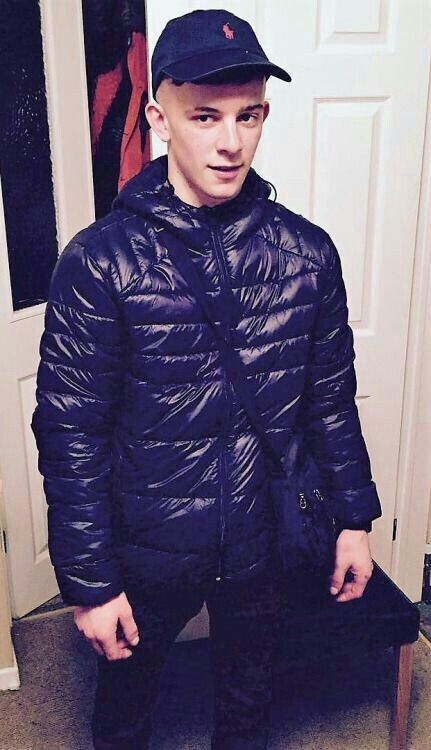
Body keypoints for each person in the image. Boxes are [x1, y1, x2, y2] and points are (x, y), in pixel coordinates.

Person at [31, 8, 382, 750]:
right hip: (148, 544)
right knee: (126, 710)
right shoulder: (99, 263)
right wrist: (91, 583)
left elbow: (329, 401)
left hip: (263, 537)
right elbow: (71, 434)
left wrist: (354, 520)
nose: (230, 142)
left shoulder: (306, 255)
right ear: (159, 119)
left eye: (248, 115)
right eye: (205, 117)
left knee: (249, 706)